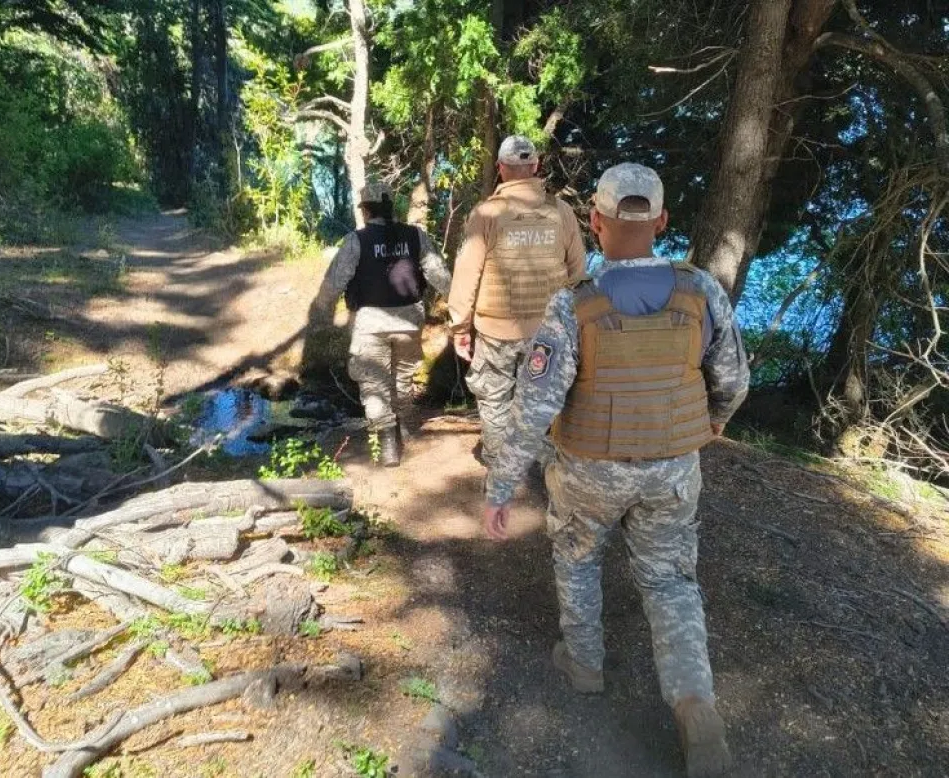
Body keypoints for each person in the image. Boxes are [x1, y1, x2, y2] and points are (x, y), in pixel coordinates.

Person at [483, 163, 750, 777]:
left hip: (589, 470)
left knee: (577, 557)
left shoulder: (574, 305)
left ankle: (583, 664)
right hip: (673, 469)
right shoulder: (702, 291)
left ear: (595, 222)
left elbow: (536, 407)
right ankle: (694, 703)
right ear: (661, 221)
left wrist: (500, 485)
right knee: (670, 580)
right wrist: (710, 424)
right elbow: (733, 382)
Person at [447, 135, 586, 465]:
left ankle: (501, 467)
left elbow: (467, 274)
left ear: (501, 169)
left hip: (496, 331)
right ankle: (542, 467)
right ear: (535, 166)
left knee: (494, 400)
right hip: (548, 333)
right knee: (540, 401)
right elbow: (578, 273)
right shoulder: (561, 211)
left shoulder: (487, 214)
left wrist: (460, 327)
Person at [312, 182, 451, 467]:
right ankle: (405, 430)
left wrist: (321, 312)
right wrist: (459, 303)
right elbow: (440, 274)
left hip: (370, 322)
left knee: (374, 383)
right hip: (410, 321)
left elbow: (334, 283)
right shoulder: (416, 236)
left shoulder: (356, 241)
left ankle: (389, 443)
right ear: (391, 207)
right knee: (402, 378)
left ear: (365, 210)